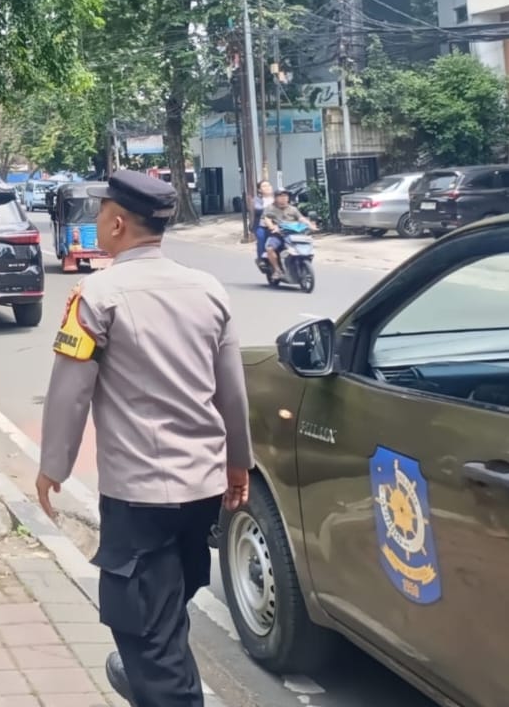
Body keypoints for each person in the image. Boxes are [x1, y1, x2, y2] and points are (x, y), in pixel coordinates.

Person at [35, 170, 253, 707]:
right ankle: (146, 682)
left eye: (100, 214)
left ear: (117, 224)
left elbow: (70, 394)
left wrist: (53, 468)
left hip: (139, 498)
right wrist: (238, 463)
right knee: (167, 610)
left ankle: (160, 689)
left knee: (145, 633)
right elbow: (232, 392)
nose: (96, 223)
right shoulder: (208, 289)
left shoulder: (97, 294)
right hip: (202, 490)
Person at [262, 188, 310, 278]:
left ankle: (302, 265)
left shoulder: (293, 209)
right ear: (275, 198)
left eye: (285, 195)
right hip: (278, 235)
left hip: (294, 235)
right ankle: (277, 270)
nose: (283, 198)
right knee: (269, 248)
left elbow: (301, 218)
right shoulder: (270, 208)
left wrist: (309, 224)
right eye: (280, 196)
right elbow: (267, 219)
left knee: (306, 247)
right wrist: (272, 226)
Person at [252, 179, 275, 259]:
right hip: (262, 225)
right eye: (264, 186)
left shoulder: (277, 197)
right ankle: (261, 258)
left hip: (277, 224)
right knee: (261, 238)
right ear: (259, 190)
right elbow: (258, 208)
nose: (267, 187)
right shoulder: (257, 199)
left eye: (268, 185)